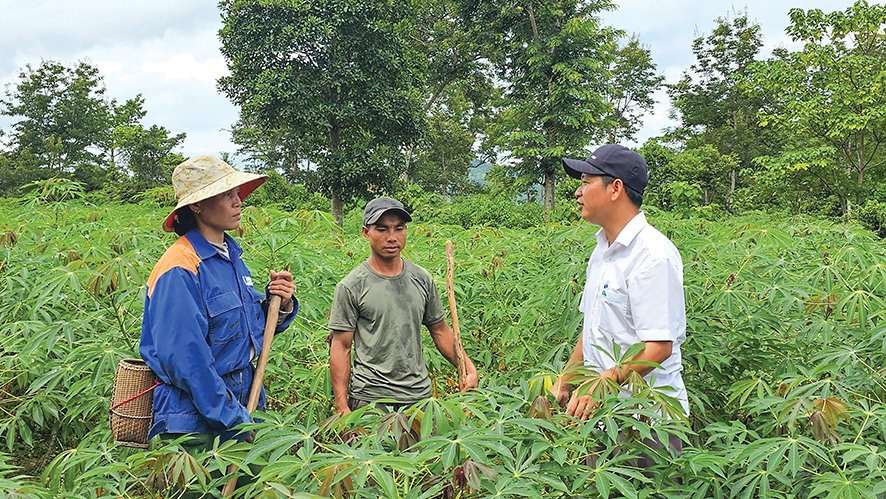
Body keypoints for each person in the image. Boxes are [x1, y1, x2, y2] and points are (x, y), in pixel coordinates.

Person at [140, 155, 298, 450]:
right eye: (227, 194)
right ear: (197, 206)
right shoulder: (180, 267)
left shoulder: (230, 257)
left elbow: (248, 333)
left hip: (244, 403)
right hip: (196, 421)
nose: (238, 201)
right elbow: (187, 361)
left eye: (236, 193)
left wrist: (281, 304)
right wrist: (231, 418)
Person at [551, 144, 688, 454]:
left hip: (647, 421)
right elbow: (593, 331)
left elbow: (658, 348)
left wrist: (601, 385)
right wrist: (566, 379)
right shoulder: (601, 251)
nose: (578, 192)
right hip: (601, 416)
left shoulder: (652, 255)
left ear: (615, 189)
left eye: (586, 181)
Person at [328, 196, 478, 415]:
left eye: (399, 229)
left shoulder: (422, 278)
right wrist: (342, 405)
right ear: (366, 233)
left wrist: (467, 367)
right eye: (382, 229)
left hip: (418, 397)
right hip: (371, 399)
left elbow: (440, 331)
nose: (391, 237)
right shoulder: (352, 286)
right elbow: (341, 346)